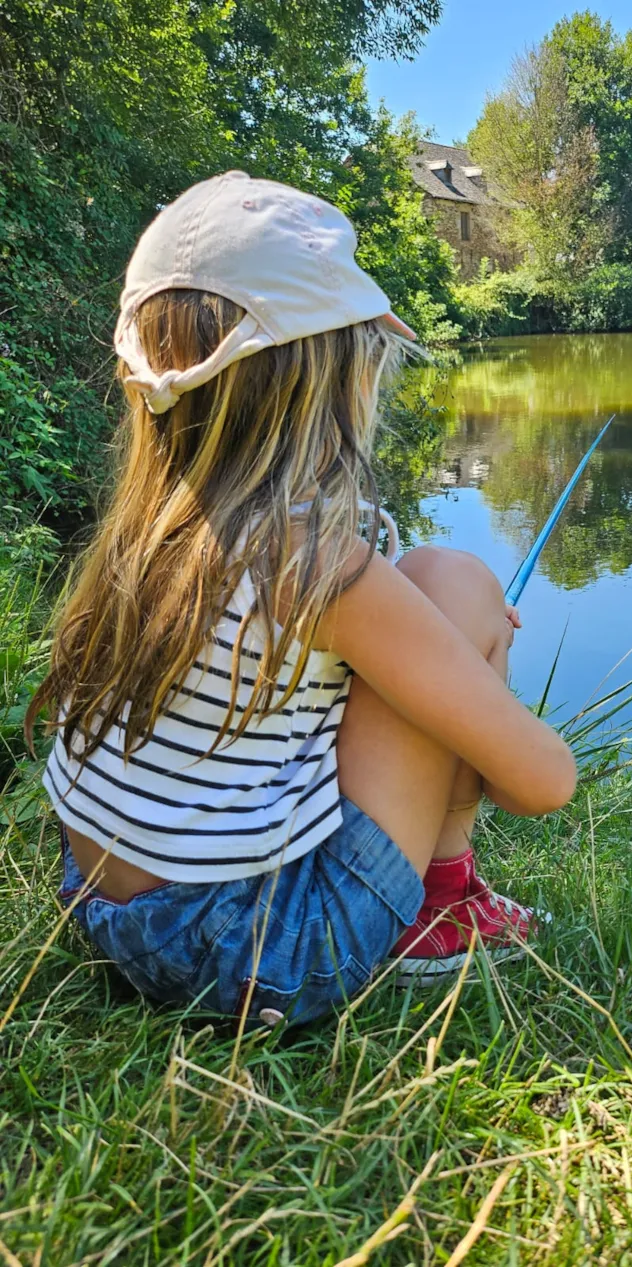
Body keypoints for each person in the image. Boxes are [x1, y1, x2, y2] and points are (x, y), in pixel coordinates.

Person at [26, 171, 577, 1029]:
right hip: (258, 955)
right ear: (333, 377)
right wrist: (462, 651)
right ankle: (441, 909)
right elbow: (546, 783)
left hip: (99, 903)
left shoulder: (144, 534)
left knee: (426, 596)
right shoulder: (314, 562)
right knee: (456, 579)